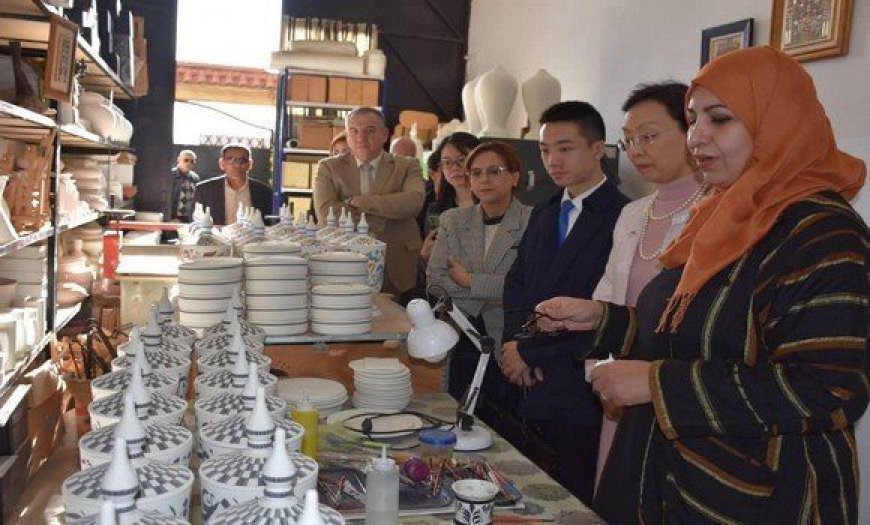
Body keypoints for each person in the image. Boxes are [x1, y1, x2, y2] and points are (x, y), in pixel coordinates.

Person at [535, 46, 867, 523]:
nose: (697, 138)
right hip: (673, 478)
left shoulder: (822, 233)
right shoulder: (722, 216)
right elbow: (693, 333)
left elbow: (829, 390)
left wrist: (656, 383)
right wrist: (602, 320)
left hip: (757, 497)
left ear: (777, 121)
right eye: (692, 120)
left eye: (720, 119)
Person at [499, 101, 630, 503]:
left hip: (578, 380)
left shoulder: (622, 216)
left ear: (597, 149)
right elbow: (518, 283)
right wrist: (514, 345)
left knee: (573, 496)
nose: (553, 160)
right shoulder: (545, 212)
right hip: (530, 376)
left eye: (565, 148)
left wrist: (533, 353)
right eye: (544, 150)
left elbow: (603, 306)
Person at [589, 81, 707, 490]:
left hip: (677, 393)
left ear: (692, 131)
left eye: (649, 136)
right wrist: (602, 374)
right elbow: (607, 297)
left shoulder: (715, 213)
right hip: (620, 389)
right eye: (628, 140)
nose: (636, 149)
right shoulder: (633, 213)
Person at [426, 140, 531, 406]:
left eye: (495, 171)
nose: (485, 179)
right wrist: (496, 292)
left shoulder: (534, 221)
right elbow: (436, 282)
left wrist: (469, 280)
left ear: (515, 177)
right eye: (476, 173)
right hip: (460, 331)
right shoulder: (453, 220)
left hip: (510, 341)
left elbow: (529, 287)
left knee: (503, 424)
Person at [313, 107, 425, 296]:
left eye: (370, 130)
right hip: (342, 263)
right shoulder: (329, 168)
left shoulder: (407, 166)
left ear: (384, 134)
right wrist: (387, 213)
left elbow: (414, 202)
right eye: (354, 131)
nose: (360, 137)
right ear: (347, 134)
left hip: (397, 263)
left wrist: (361, 203)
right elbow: (326, 213)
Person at [420, 132, 481, 263]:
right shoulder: (436, 210)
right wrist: (424, 257)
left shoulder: (492, 206)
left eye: (462, 160)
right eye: (447, 163)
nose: (454, 167)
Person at [194, 143, 271, 225]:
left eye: (242, 160)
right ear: (222, 164)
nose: (237, 165)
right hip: (218, 237)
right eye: (230, 159)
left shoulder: (264, 192)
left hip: (253, 237)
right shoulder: (204, 191)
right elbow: (196, 223)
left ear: (250, 164)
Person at [165, 149, 200, 223]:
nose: (189, 163)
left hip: (188, 219)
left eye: (192, 161)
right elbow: (165, 200)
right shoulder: (170, 175)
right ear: (178, 159)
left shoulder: (195, 178)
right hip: (171, 218)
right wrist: (169, 218)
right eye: (186, 160)